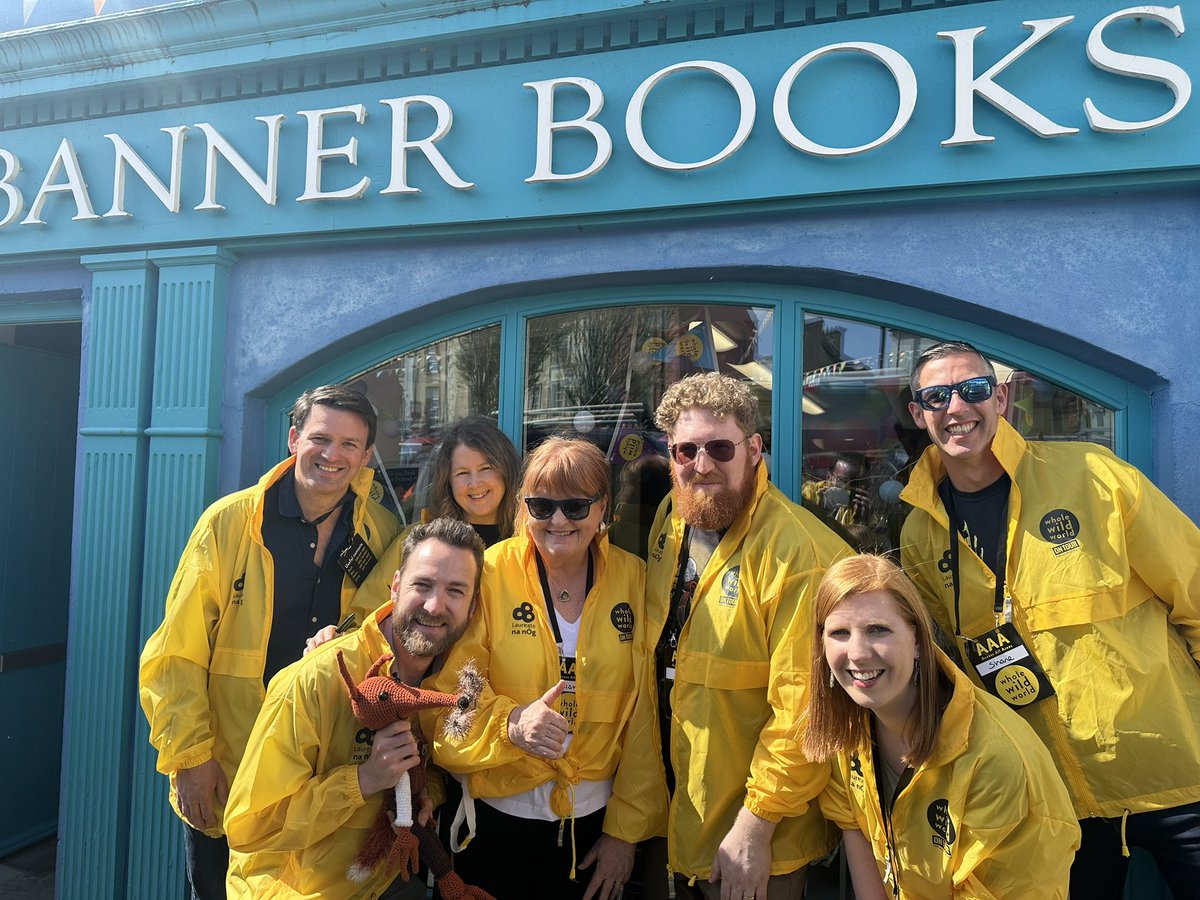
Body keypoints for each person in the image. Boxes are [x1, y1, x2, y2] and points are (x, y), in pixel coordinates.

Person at [899, 340, 1200, 898]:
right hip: (1055, 798)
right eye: (937, 396)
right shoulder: (920, 534)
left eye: (973, 389)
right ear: (919, 414)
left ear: (1002, 398)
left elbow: (1196, 591)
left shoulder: (1095, 477)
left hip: (1176, 775)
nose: (956, 407)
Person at [138, 385, 399, 899]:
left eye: (350, 444)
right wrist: (190, 758)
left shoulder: (382, 530)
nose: (333, 455)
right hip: (230, 773)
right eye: (321, 438)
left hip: (322, 779)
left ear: (366, 456)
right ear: (293, 437)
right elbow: (176, 652)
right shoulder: (230, 522)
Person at [612, 372, 851, 900]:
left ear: (755, 448)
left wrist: (757, 824)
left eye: (720, 448)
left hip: (757, 838)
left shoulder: (797, 553)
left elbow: (805, 713)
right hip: (678, 819)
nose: (702, 465)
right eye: (686, 450)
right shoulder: (671, 520)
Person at [424, 437, 647, 900]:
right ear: (524, 508)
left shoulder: (635, 579)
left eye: (576, 506)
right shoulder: (487, 574)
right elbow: (451, 698)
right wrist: (508, 724)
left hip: (595, 827)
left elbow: (644, 718)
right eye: (542, 506)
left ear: (603, 507)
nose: (558, 520)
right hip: (495, 824)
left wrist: (625, 832)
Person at [223, 518, 485, 898]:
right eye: (422, 585)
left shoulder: (447, 683)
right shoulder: (318, 678)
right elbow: (250, 827)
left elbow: (427, 765)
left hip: (387, 881)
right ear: (395, 586)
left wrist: (424, 793)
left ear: (473, 606)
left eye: (455, 591)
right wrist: (362, 781)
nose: (434, 604)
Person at [805, 554, 1080, 899]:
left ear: (918, 639)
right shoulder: (848, 728)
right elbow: (853, 824)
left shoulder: (995, 760)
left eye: (878, 630)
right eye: (839, 633)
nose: (857, 653)